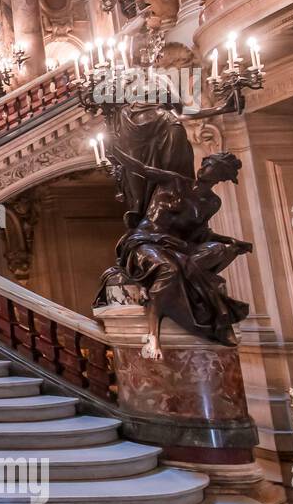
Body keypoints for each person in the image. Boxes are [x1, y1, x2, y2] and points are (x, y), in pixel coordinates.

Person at [98, 148, 252, 358]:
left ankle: (208, 313)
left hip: (177, 246)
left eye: (212, 167)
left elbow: (201, 234)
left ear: (220, 176)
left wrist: (232, 242)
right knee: (170, 269)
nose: (205, 169)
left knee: (219, 250)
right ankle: (153, 336)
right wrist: (115, 150)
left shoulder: (212, 203)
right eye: (206, 164)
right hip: (144, 242)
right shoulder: (175, 181)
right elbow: (142, 169)